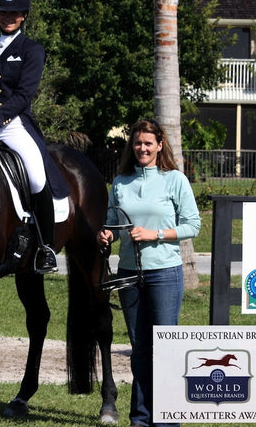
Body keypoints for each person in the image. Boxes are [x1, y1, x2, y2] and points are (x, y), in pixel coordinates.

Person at [97, 118, 201, 427]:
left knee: (164, 347)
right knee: (139, 350)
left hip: (164, 273)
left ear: (159, 146)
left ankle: (168, 421)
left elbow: (192, 225)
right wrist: (108, 235)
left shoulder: (174, 180)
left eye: (148, 143)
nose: (142, 147)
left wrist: (155, 234)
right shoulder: (120, 182)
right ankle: (140, 419)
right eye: (138, 143)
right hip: (129, 274)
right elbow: (114, 222)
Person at [0, 0, 69, 275]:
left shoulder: (32, 50)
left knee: (36, 178)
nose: (7, 16)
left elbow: (24, 96)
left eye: (13, 12)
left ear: (23, 15)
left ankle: (46, 248)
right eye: (2, 11)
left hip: (14, 125)